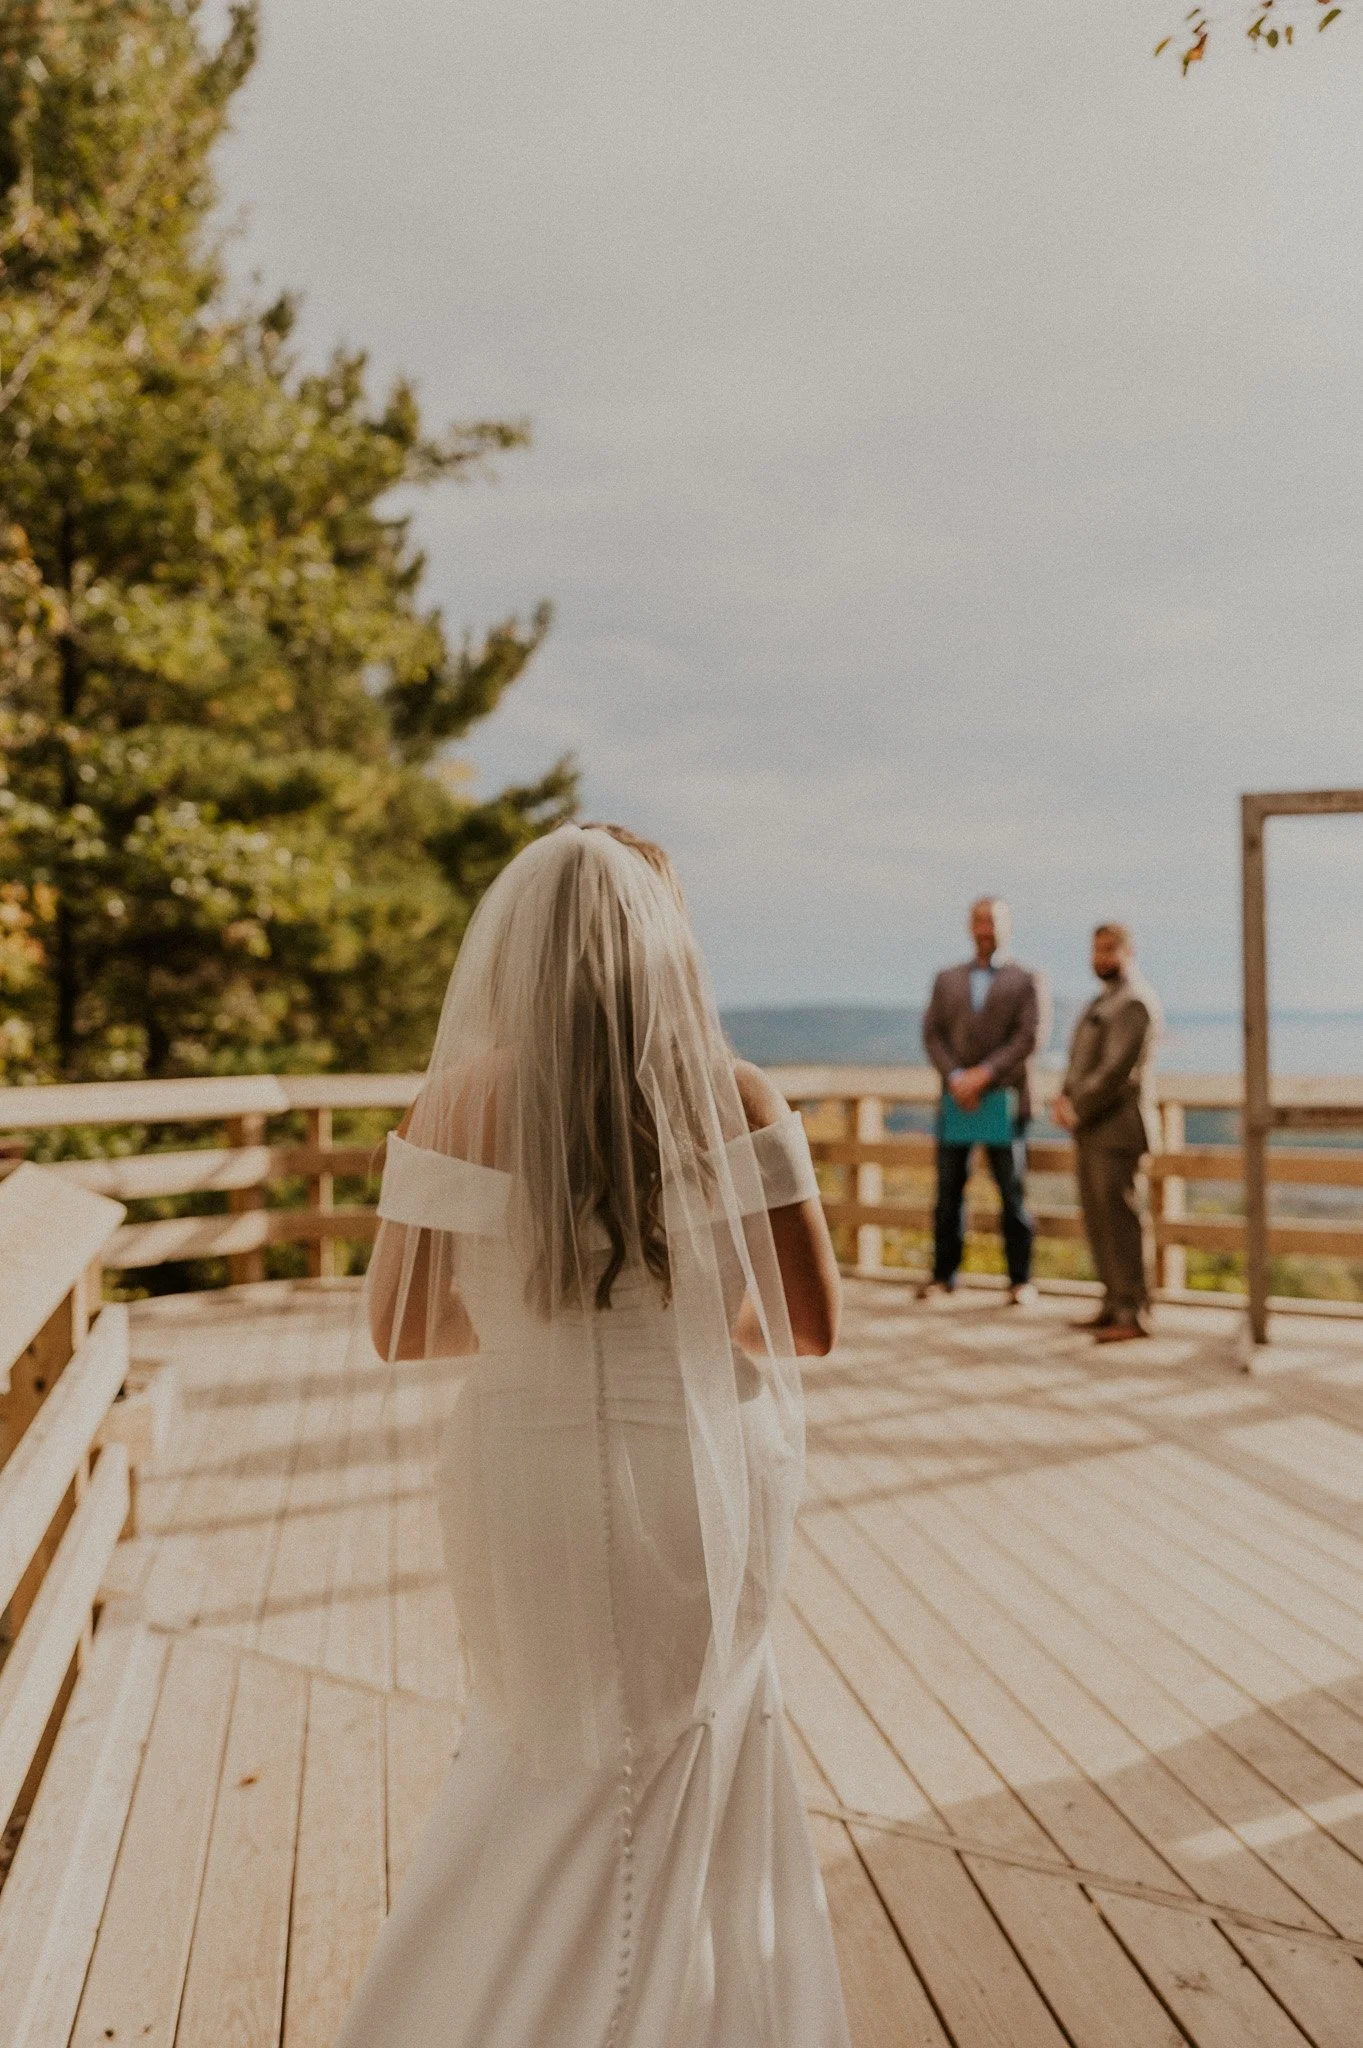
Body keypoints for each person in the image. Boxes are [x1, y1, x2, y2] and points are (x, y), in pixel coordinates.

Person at [337, 822, 850, 2048]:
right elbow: (809, 1322)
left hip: (527, 1471)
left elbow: (400, 1326)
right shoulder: (734, 1091)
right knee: (694, 1743)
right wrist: (670, 1318)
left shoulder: (459, 1100)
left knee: (534, 1742)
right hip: (701, 1471)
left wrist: (530, 1331)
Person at [920, 897, 1048, 1305]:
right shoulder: (946, 978)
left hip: (1006, 1102)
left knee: (1012, 1193)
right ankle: (944, 1275)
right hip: (956, 1101)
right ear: (968, 926)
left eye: (991, 922)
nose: (984, 929)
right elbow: (932, 1035)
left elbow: (1029, 1038)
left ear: (1006, 926)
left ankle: (1020, 1280)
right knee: (948, 1192)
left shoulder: (1027, 978)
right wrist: (957, 1077)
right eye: (978, 921)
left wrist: (984, 1075)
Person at [1052, 922, 1162, 1343]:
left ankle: (1134, 1312)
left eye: (1109, 950)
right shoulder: (1102, 1000)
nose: (1101, 958)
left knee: (1122, 1220)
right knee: (1098, 1220)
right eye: (1096, 950)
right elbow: (1080, 1060)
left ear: (1129, 953)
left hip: (1118, 1132)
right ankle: (1113, 1302)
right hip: (1091, 1131)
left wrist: (1077, 1106)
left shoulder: (1135, 1003)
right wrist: (1064, 1098)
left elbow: (1118, 1072)